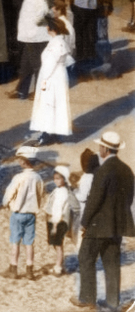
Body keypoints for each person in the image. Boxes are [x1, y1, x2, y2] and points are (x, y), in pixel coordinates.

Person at [73, 131, 133, 310]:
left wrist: (84, 223)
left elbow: (94, 200)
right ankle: (113, 302)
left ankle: (88, 298)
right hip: (117, 226)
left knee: (86, 257)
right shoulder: (127, 170)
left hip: (98, 224)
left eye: (101, 147)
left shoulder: (103, 170)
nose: (99, 150)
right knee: (112, 262)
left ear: (106, 148)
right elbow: (129, 197)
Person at [27, 15, 74, 147]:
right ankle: (54, 132)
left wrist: (43, 83)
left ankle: (47, 134)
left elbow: (49, 65)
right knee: (56, 104)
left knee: (48, 104)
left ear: (51, 29)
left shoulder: (56, 43)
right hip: (58, 76)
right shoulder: (59, 41)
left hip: (52, 77)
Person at [3, 146, 47, 279]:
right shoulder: (38, 177)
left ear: (23, 161)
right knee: (29, 243)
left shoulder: (19, 177)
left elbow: (10, 192)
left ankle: (13, 267)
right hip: (31, 214)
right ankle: (29, 269)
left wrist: (6, 203)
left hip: (18, 213)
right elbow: (41, 193)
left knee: (15, 241)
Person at [15, 0, 52, 97]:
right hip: (30, 36)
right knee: (26, 65)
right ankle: (21, 91)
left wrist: (32, 26)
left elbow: (42, 13)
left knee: (37, 66)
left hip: (36, 36)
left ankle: (40, 93)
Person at [44, 164, 81, 278]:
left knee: (58, 245)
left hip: (58, 221)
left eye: (59, 179)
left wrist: (55, 224)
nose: (56, 181)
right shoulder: (59, 190)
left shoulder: (62, 192)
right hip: (55, 220)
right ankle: (60, 265)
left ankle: (58, 267)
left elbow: (58, 209)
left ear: (64, 179)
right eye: (55, 178)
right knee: (56, 244)